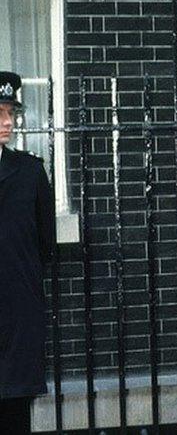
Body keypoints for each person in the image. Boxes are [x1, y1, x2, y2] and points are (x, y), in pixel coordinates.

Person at [0, 72, 55, 434]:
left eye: (10, 113)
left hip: (16, 316)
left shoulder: (30, 172)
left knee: (14, 415)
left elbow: (45, 245)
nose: (7, 122)